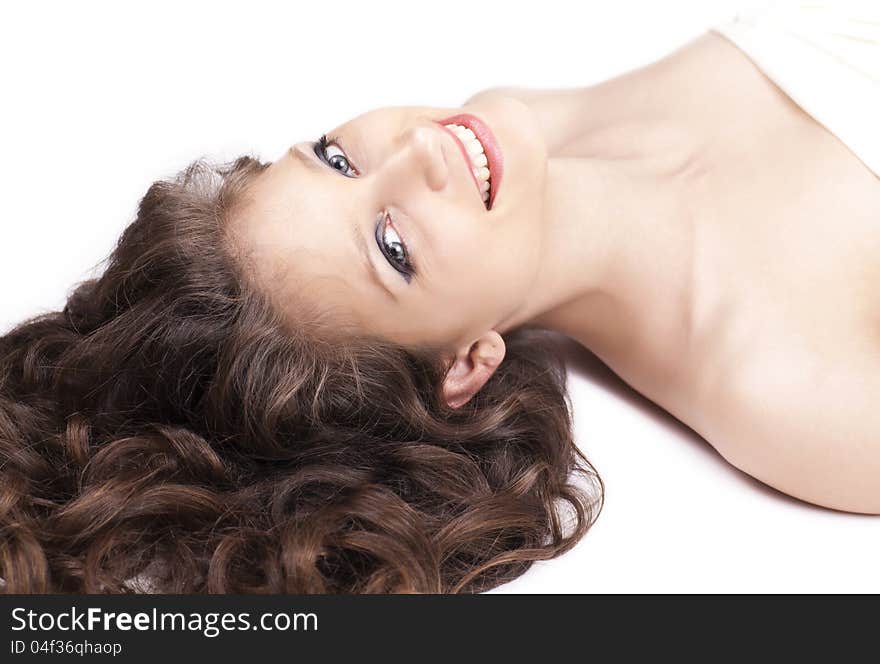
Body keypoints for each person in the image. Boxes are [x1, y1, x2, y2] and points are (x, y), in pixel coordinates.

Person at [1, 2, 877, 594]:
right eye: (393, 246)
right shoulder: (786, 388)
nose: (419, 148)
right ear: (465, 365)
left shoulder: (514, 116)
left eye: (338, 159)